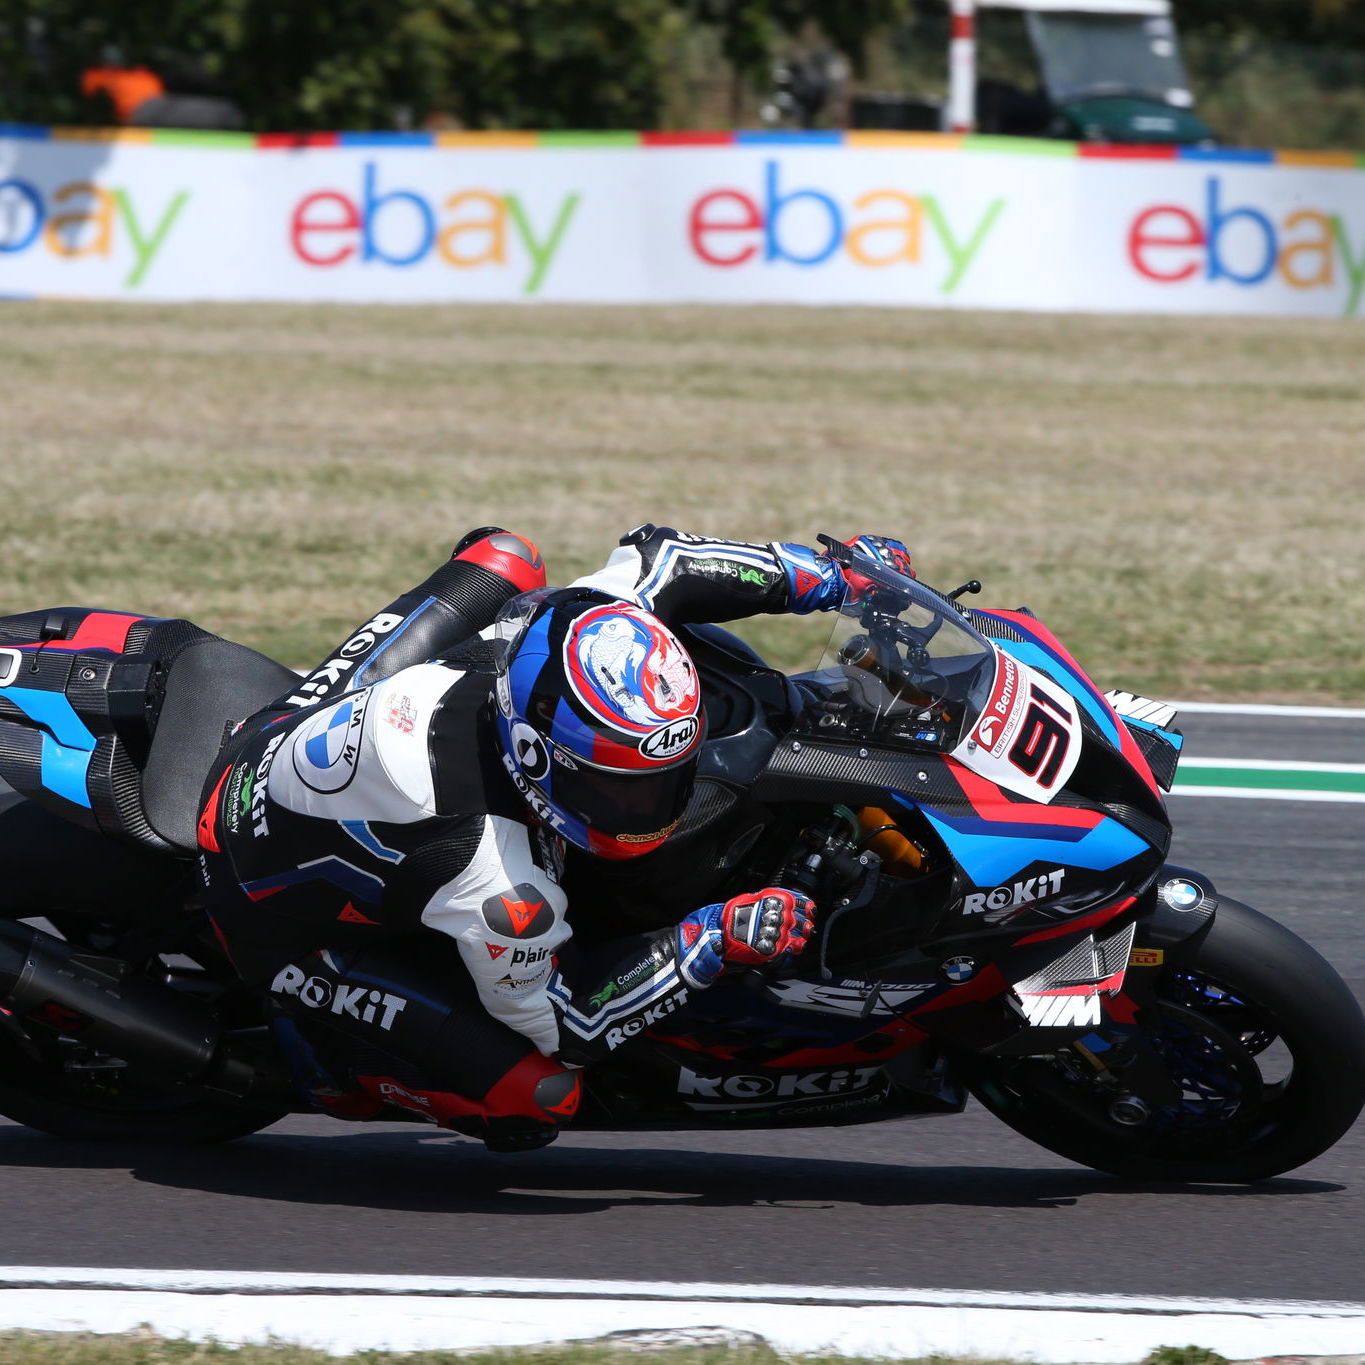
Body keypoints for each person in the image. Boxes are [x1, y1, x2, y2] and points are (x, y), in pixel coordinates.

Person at [196, 525, 914, 1150]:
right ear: (537, 757)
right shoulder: (497, 880)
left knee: (505, 555)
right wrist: (712, 937)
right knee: (533, 1094)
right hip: (261, 907)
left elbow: (668, 558)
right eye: (622, 786)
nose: (656, 803)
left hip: (304, 729)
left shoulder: (584, 621)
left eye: (665, 775)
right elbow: (567, 1022)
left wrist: (830, 577)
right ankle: (333, 1063)